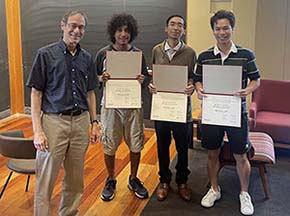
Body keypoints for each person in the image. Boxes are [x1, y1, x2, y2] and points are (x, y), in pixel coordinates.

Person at [26, 10, 99, 216]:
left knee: (75, 178)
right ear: (63, 25)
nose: (76, 30)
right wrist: (37, 130)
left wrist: (94, 122)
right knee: (46, 177)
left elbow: (90, 92)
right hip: (53, 122)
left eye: (81, 27)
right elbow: (36, 93)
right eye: (73, 26)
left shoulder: (87, 58)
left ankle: (69, 213)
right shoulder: (45, 54)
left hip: (80, 122)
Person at [193, 10, 260, 215]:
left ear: (232, 29)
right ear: (213, 30)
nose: (222, 32)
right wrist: (199, 89)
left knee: (240, 155)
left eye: (226, 28)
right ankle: (214, 189)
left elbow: (256, 80)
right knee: (212, 153)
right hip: (213, 112)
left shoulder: (245, 55)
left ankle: (244, 194)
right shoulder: (204, 56)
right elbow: (197, 79)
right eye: (218, 28)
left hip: (235, 112)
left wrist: (247, 90)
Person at [95, 13, 149, 201]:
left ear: (131, 33)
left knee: (135, 143)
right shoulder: (103, 54)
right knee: (109, 144)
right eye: (119, 30)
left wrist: (143, 80)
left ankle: (133, 178)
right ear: (113, 32)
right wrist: (102, 78)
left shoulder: (138, 54)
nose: (123, 34)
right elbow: (94, 79)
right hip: (110, 106)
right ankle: (111, 179)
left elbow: (144, 78)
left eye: (127, 30)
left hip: (133, 105)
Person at [149, 15, 196, 202]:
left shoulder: (190, 53)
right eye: (173, 24)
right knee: (162, 145)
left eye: (180, 25)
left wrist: (191, 85)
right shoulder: (156, 50)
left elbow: (194, 77)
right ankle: (164, 181)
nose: (176, 28)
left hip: (181, 108)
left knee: (183, 146)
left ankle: (182, 182)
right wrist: (151, 86)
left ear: (184, 30)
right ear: (166, 29)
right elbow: (154, 75)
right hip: (161, 107)